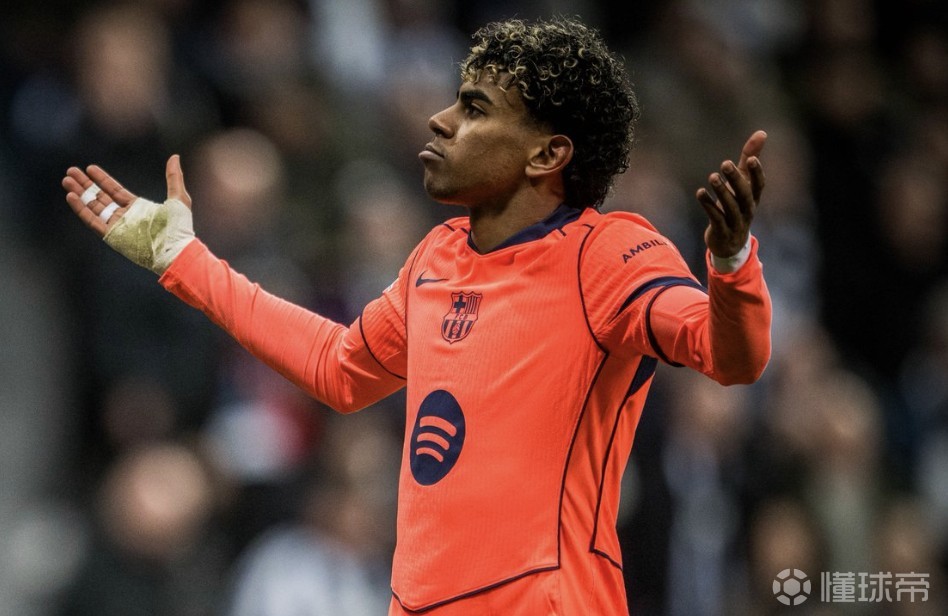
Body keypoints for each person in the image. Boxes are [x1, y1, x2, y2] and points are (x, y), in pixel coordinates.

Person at [63, 16, 771, 615]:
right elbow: (339, 369)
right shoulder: (439, 257)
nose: (441, 120)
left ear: (548, 153)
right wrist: (185, 261)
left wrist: (732, 262)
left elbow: (729, 356)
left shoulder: (608, 253)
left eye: (476, 110)